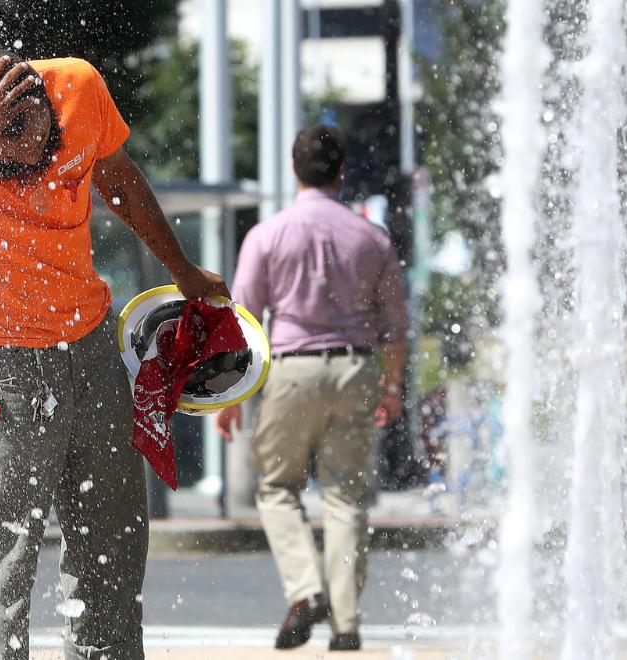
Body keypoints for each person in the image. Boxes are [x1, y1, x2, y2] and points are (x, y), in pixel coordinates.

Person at [0, 50, 227, 660]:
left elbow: (119, 179)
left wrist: (183, 269)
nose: (33, 172)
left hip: (89, 348)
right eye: (8, 161)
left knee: (112, 549)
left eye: (42, 150)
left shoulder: (80, 87)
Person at [215, 124, 409, 652]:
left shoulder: (268, 235)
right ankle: (345, 625)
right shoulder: (372, 238)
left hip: (291, 370)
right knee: (346, 496)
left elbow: (244, 321)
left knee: (279, 488)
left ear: (293, 170)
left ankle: (306, 591)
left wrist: (231, 396)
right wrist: (391, 385)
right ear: (342, 171)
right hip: (355, 368)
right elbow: (395, 326)